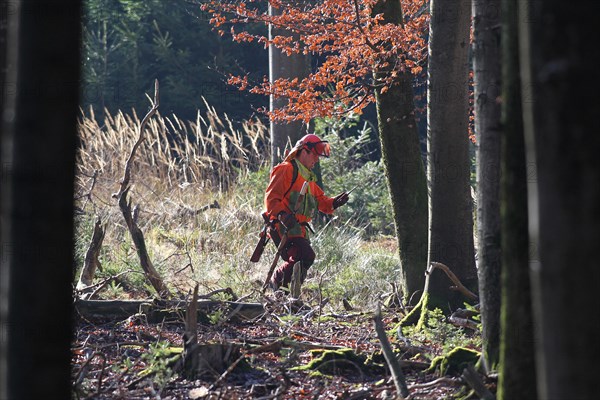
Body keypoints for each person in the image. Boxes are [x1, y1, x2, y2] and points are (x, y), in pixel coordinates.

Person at [264, 133, 350, 291]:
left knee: (301, 260)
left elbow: (322, 202)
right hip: (283, 227)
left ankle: (290, 296)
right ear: (304, 151)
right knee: (305, 255)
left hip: (298, 231)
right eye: (315, 156)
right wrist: (283, 215)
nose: (316, 160)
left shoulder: (308, 179)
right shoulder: (286, 169)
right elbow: (271, 198)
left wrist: (335, 202)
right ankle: (276, 283)